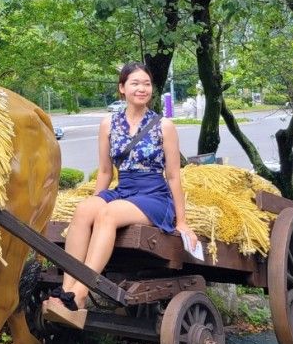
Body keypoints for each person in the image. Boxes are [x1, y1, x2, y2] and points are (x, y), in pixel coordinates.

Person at [43, 61, 197, 328]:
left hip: (153, 195)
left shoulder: (164, 126)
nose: (142, 88)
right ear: (122, 88)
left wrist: (181, 221)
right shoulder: (109, 124)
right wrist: (94, 200)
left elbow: (173, 176)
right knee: (84, 210)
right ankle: (67, 291)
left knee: (108, 214)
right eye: (135, 83)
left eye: (146, 84)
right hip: (123, 188)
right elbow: (104, 171)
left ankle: (79, 297)